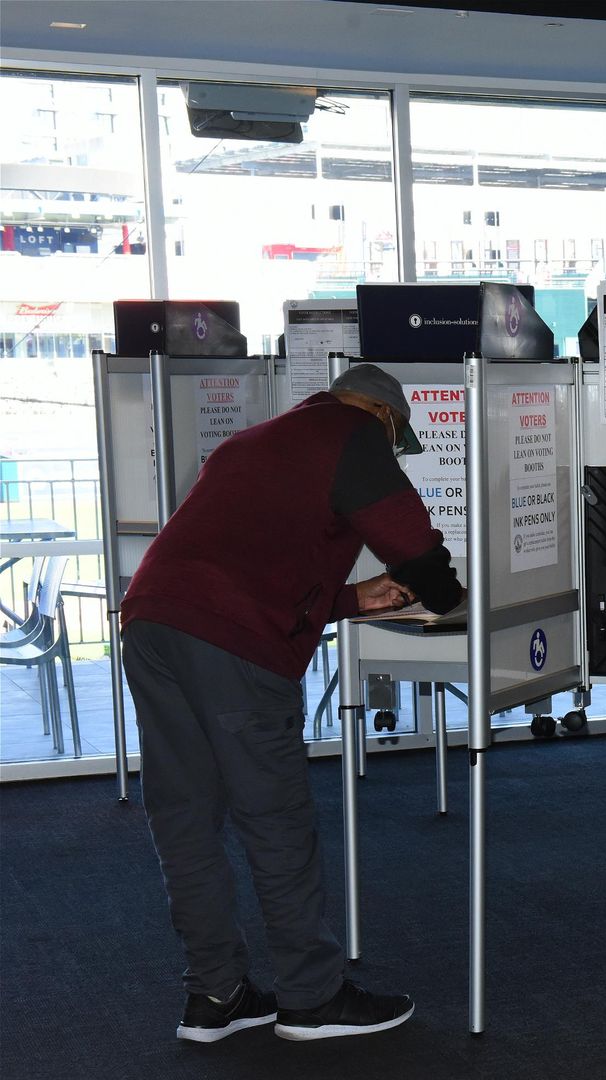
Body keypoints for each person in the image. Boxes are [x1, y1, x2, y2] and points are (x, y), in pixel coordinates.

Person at [120, 364, 463, 1043]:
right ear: (385, 416)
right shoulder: (353, 432)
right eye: (396, 439)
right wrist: (452, 594)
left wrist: (353, 598)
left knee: (185, 817)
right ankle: (312, 997)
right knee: (273, 817)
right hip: (232, 647)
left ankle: (214, 995)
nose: (391, 450)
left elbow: (241, 567)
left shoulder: (249, 443)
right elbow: (412, 544)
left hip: (151, 622)